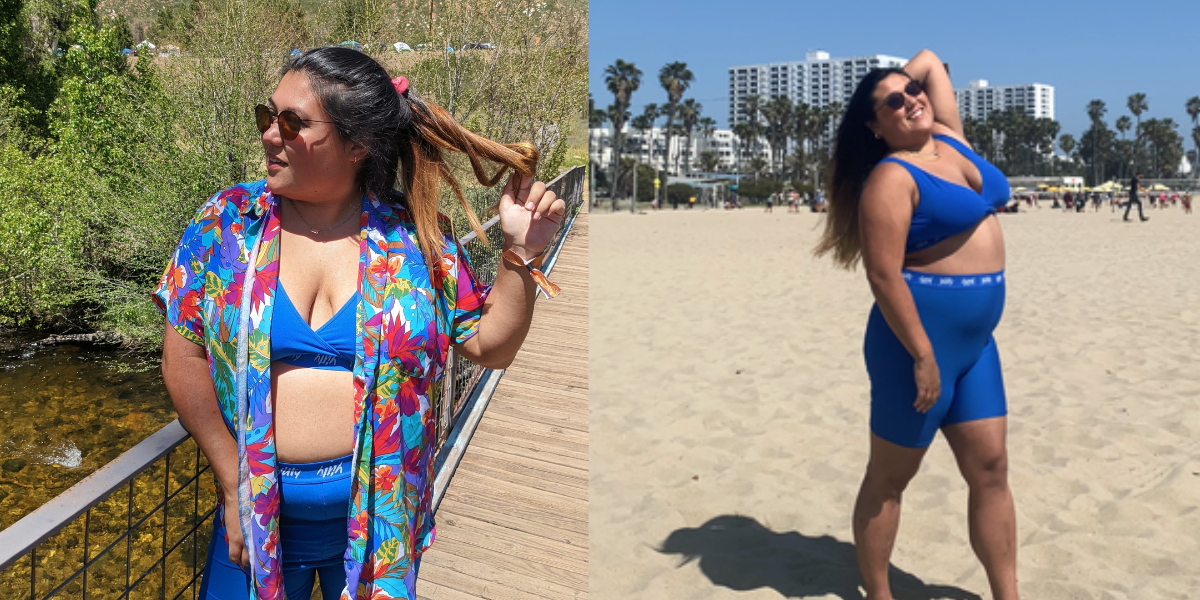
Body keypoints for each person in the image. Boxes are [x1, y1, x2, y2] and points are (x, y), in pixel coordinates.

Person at [155, 47, 566, 600]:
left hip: (382, 519)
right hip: (255, 514)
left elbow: (489, 346)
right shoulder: (226, 225)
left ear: (357, 145)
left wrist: (520, 252)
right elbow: (184, 355)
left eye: (292, 123)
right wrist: (230, 478)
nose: (269, 135)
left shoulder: (417, 238)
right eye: (267, 116)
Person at [814, 49, 1019, 600]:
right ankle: (879, 594)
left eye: (913, 92)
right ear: (874, 125)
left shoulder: (950, 138)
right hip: (915, 349)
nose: (911, 100)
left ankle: (1009, 595)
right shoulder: (890, 176)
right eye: (893, 103)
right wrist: (924, 356)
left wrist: (897, 84)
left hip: (976, 345)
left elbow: (930, 61)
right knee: (889, 480)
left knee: (992, 469)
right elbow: (883, 277)